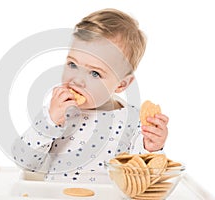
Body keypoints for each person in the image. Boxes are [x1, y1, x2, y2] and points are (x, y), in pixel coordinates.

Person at [12, 8, 169, 183]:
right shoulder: (57, 112)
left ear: (121, 84)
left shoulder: (133, 121)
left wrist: (152, 148)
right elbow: (24, 162)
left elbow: (144, 180)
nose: (77, 80)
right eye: (72, 64)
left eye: (95, 73)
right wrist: (49, 122)